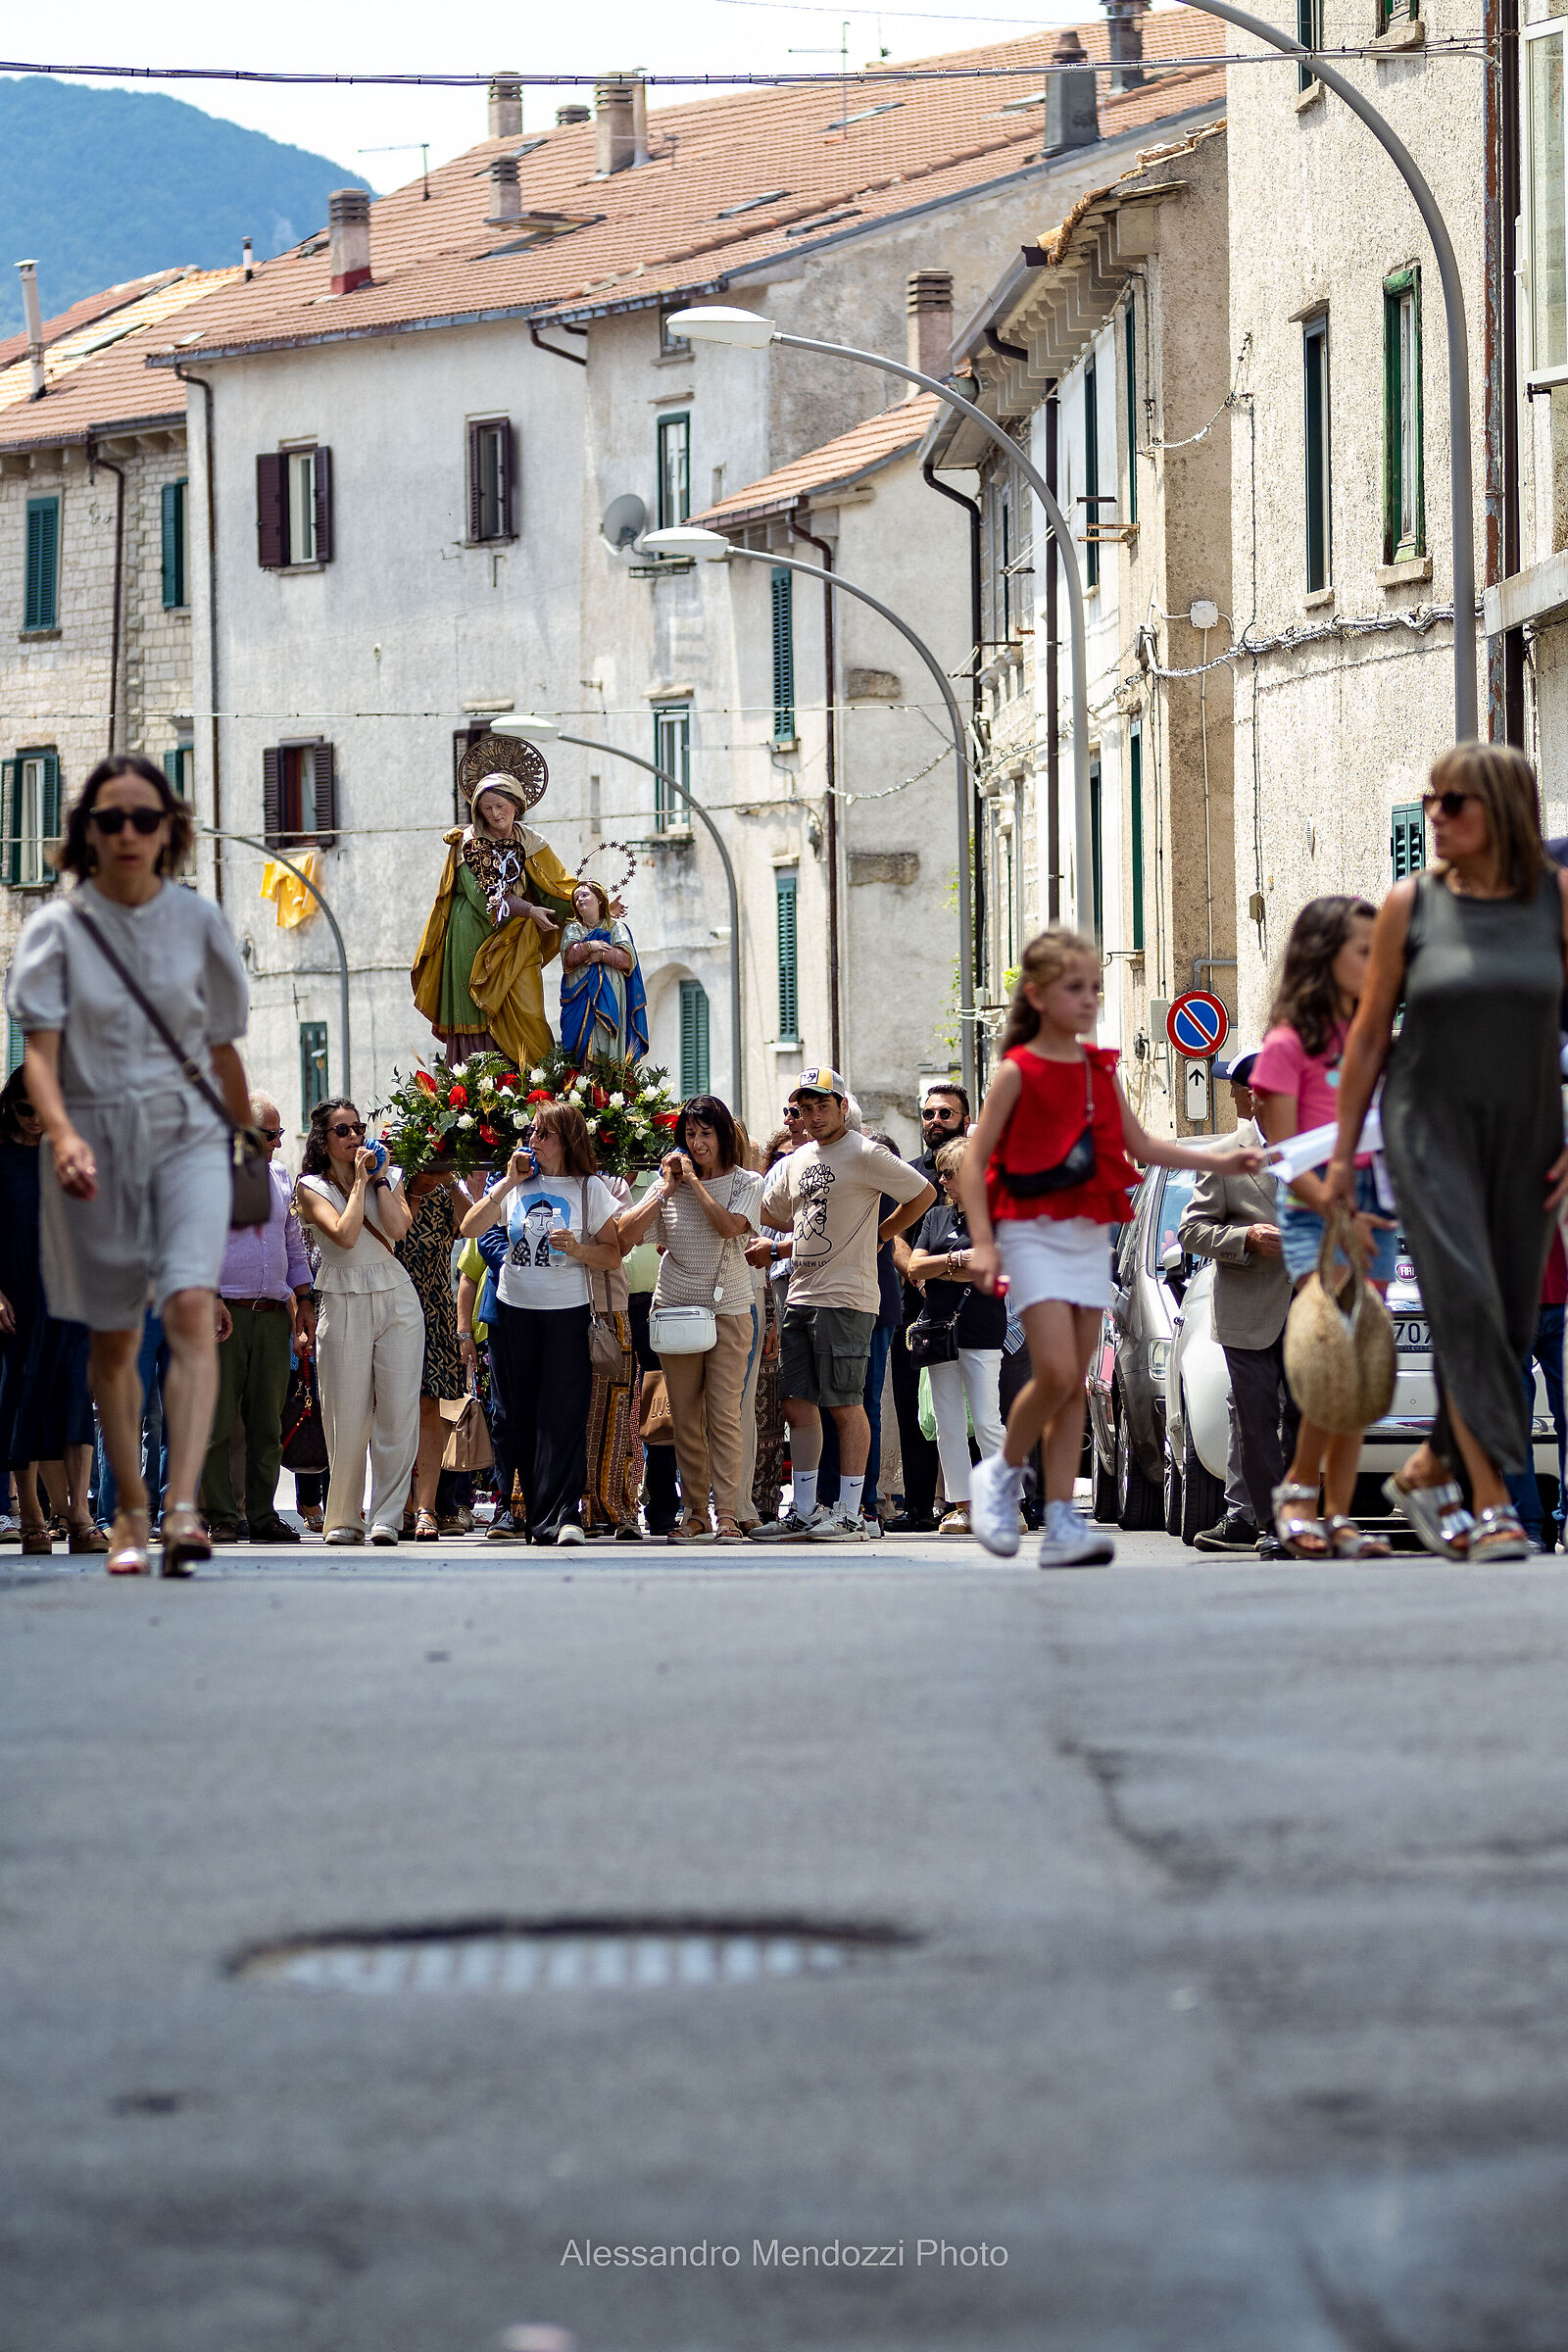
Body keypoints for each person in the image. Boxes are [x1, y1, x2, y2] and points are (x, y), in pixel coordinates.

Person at [7, 754, 253, 1578]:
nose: (126, 833)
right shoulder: (55, 931)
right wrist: (65, 1135)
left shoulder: (198, 922)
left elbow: (221, 1049)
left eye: (143, 818)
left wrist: (243, 1136)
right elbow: (39, 1057)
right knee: (112, 1343)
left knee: (188, 1307)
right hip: (95, 1144)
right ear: (85, 832)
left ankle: (181, 1507)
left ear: (168, 830)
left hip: (186, 1138)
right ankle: (130, 1511)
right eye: (109, 820)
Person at [1325, 746, 1568, 1563]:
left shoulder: (1554, 901)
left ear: (1499, 808)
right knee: (1467, 1299)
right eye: (1428, 799)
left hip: (1527, 1131)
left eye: (1453, 802)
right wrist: (1339, 1160)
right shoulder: (1411, 905)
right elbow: (1367, 1040)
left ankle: (1431, 1465)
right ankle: (1494, 1503)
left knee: (1509, 1322)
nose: (1435, 814)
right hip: (1428, 1128)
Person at [956, 930, 1262, 1569]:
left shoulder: (1099, 1070)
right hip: (1031, 1234)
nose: (1091, 998)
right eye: (1076, 988)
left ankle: (1064, 1516)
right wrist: (984, 1244)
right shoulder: (1018, 1071)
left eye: (1096, 986)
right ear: (1037, 997)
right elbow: (976, 1162)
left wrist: (1226, 1160)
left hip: (1087, 1233)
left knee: (1073, 1391)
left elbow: (1143, 1148)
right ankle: (1002, 1474)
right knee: (1061, 1373)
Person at [1250, 896, 1396, 1561]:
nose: (1377, 963)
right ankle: (1297, 1498)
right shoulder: (1285, 1046)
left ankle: (1339, 1517)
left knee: (1361, 1366)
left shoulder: (1371, 1037)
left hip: (1375, 1200)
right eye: (1364, 951)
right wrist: (1342, 1214)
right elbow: (1282, 1158)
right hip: (1316, 1206)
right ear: (1323, 958)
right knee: (1330, 1358)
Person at [755, 1067, 935, 1543]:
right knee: (797, 1404)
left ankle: (854, 1511)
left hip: (848, 1297)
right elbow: (769, 1211)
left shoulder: (865, 1151)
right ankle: (807, 1509)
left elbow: (923, 1193)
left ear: (841, 1108)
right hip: (800, 1293)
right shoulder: (795, 1161)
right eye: (804, 1107)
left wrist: (882, 1233)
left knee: (846, 1403)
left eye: (821, 1105)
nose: (812, 1116)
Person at [460, 1100, 622, 1545]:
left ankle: (566, 1513)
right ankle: (537, 1515)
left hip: (567, 1313)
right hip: (513, 1315)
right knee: (518, 1416)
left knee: (563, 1413)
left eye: (542, 1133)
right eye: (531, 1131)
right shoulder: (514, 1182)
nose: (532, 1139)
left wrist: (577, 1250)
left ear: (565, 1139)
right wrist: (508, 1181)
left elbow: (612, 1253)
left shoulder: (589, 1188)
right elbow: (471, 1228)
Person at [615, 1095, 763, 1544]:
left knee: (724, 1414)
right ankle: (695, 1512)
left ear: (723, 1136)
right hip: (675, 1311)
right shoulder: (670, 1189)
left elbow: (729, 1226)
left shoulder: (746, 1182)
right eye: (690, 1135)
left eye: (707, 1134)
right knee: (684, 1416)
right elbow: (625, 1237)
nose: (697, 1144)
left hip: (730, 1310)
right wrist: (662, 1189)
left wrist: (695, 1184)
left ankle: (729, 1513)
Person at [1178, 1045, 1298, 1561]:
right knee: (1253, 1419)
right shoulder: (1225, 1154)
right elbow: (1191, 1230)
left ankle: (1301, 1513)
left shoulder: (1318, 1146)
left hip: (1312, 1305)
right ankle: (1271, 1524)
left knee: (1303, 1415)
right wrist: (1245, 1238)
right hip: (1250, 1310)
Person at [295, 1099, 421, 1545]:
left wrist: (380, 1179)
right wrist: (358, 1184)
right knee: (345, 1417)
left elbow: (397, 1228)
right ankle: (344, 1518)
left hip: (395, 1297)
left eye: (357, 1128)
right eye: (342, 1131)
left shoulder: (387, 1178)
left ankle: (388, 1517)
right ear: (324, 1140)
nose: (353, 1138)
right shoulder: (311, 1186)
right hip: (342, 1297)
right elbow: (346, 1237)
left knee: (397, 1413)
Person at [411, 734, 578, 1070]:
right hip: (472, 934)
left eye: (501, 806)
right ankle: (479, 1090)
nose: (495, 814)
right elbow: (481, 897)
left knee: (529, 1011)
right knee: (477, 1010)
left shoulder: (532, 842)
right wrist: (529, 909)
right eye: (487, 809)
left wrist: (594, 904)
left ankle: (537, 1085)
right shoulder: (468, 843)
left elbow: (559, 886)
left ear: (517, 805)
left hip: (519, 939)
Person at [202, 1093, 316, 1544]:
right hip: (224, 1310)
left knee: (268, 1421)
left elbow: (291, 1242)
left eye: (280, 1133)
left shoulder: (280, 1175)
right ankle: (222, 1515)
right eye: (271, 1134)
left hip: (271, 1313)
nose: (278, 1143)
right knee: (218, 1420)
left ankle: (263, 1513)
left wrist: (303, 1299)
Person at [0, 1066, 102, 1554]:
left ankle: (80, 1516)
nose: (36, 1120)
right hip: (15, 1297)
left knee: (75, 1400)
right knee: (22, 1401)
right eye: (26, 1110)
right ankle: (35, 1518)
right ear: (9, 1105)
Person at [906, 1136, 1007, 1536]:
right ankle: (961, 1505)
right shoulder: (934, 1219)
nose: (942, 1180)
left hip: (981, 1329)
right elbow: (914, 1267)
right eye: (942, 1173)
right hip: (937, 1329)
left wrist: (940, 1266)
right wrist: (957, 1261)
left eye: (950, 1173)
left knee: (986, 1420)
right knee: (947, 1423)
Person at [887, 1084, 967, 1531]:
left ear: (964, 1121)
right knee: (914, 1410)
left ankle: (979, 1502)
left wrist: (938, 1270)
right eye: (929, 1114)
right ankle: (918, 1507)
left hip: (970, 1311)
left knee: (975, 1410)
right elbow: (894, 1233)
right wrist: (914, 1271)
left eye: (946, 1114)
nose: (935, 1121)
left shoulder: (981, 1172)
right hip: (913, 1312)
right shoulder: (907, 1175)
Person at [396, 1168, 470, 1542]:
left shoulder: (445, 1194)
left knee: (429, 1407)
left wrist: (452, 1181)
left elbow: (473, 1226)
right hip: (390, 1306)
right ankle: (398, 1504)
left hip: (434, 1308)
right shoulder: (389, 1188)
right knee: (391, 1407)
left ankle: (425, 1507)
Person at [559, 880, 649, 1066]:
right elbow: (569, 957)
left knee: (607, 1044)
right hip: (579, 999)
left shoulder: (617, 928)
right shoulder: (573, 930)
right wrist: (590, 945)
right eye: (576, 898)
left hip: (611, 998)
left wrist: (600, 955)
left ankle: (610, 1086)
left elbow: (627, 959)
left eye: (585, 895)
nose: (580, 900)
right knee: (578, 1053)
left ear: (600, 900)